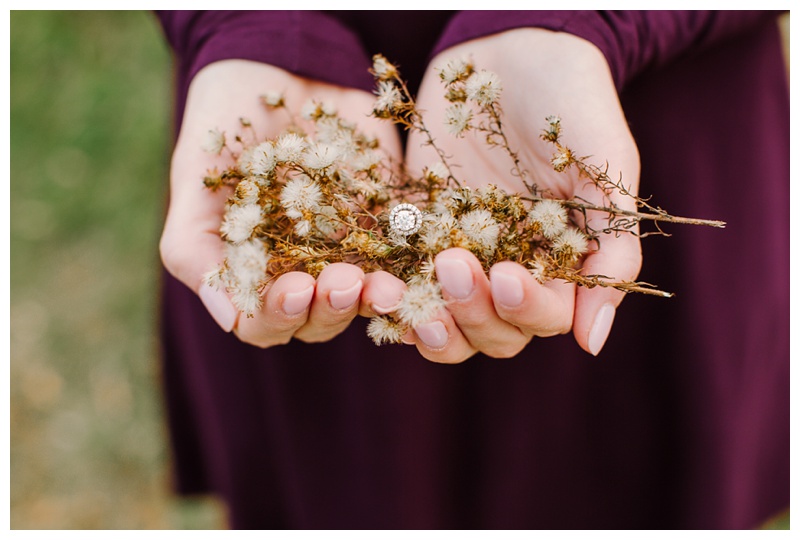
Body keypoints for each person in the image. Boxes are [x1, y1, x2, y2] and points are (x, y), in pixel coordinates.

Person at [155, 11, 788, 529]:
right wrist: (250, 25)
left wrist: (574, 16)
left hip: (632, 106)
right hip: (295, 106)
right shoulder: (281, 183)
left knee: (634, 471)